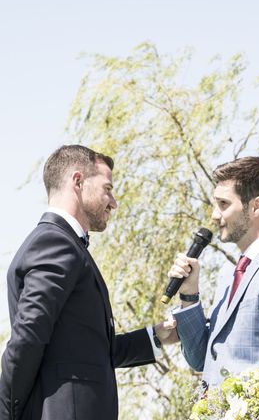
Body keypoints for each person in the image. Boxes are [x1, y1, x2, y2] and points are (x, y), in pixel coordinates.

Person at [0, 145, 174, 420]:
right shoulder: (55, 243)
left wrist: (156, 336)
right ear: (78, 182)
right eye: (108, 188)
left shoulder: (66, 245)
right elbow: (26, 340)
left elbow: (86, 352)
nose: (114, 202)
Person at [167, 156, 259, 406]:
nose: (214, 215)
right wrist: (189, 296)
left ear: (256, 206)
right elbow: (200, 359)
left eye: (223, 204)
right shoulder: (230, 274)